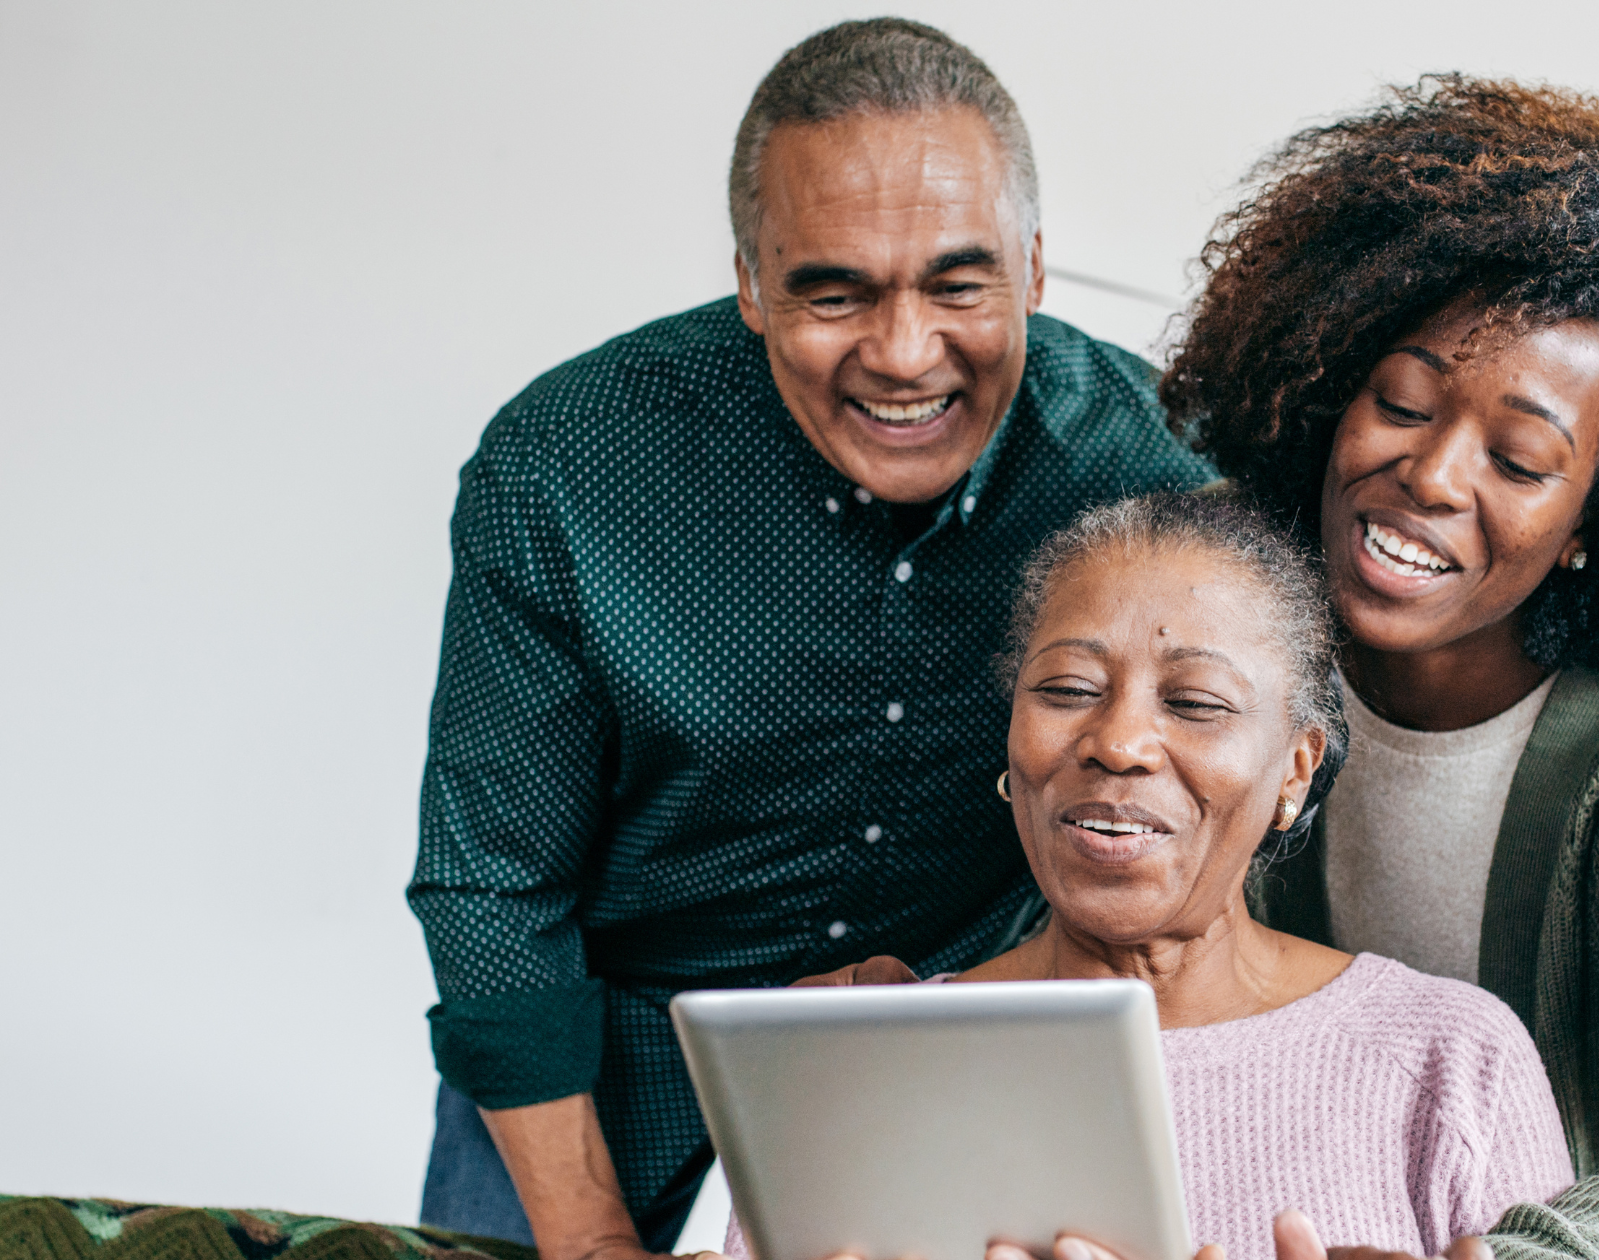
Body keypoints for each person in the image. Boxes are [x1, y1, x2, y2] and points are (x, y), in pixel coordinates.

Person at [406, 19, 1209, 1259]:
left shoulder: (1150, 472)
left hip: (972, 1072)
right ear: (748, 280)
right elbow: (494, 886)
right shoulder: (560, 467)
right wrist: (587, 1237)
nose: (901, 354)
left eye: (957, 283)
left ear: (1034, 268)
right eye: (833, 291)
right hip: (594, 1079)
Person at [1157, 79, 1599, 1259]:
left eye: (1519, 462)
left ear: (1597, 517)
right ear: (1329, 392)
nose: (1430, 476)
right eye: (1401, 401)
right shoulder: (1221, 625)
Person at [725, 493, 1575, 1260]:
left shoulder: (1452, 1062)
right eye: (1066, 689)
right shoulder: (855, 1069)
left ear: (1296, 770)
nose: (1118, 743)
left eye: (1197, 703)